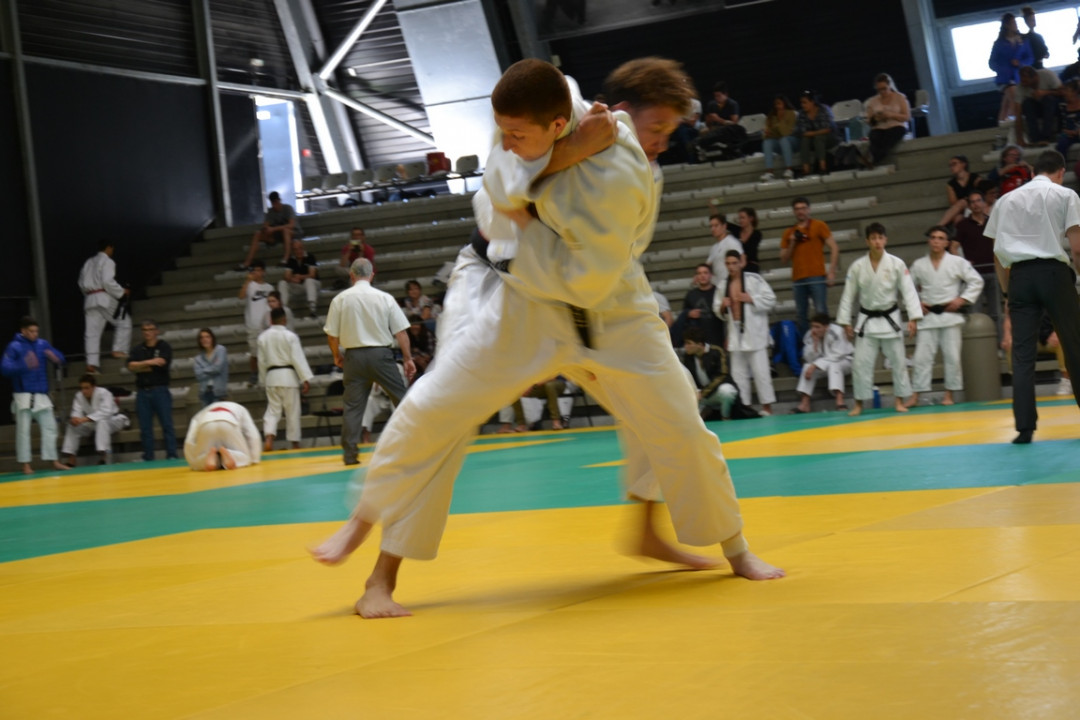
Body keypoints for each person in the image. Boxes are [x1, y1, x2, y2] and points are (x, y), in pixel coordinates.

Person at [312, 57, 783, 619]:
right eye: (656, 126)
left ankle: (734, 547)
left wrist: (522, 213)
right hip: (518, 297)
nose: (663, 141)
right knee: (438, 408)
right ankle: (372, 546)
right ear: (611, 112)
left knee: (677, 419)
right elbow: (492, 192)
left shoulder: (627, 175)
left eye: (669, 130)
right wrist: (563, 157)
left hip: (607, 308)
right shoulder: (545, 106)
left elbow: (586, 278)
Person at [987, 149, 1080, 444]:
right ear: (1060, 172)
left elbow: (997, 255)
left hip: (1020, 277)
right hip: (1054, 274)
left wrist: (1007, 291)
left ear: (1031, 172)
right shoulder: (1065, 195)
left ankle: (1024, 428)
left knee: (1022, 354)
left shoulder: (1005, 200)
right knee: (1075, 346)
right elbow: (1077, 248)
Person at [323, 257, 414, 466]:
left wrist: (337, 355)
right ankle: (416, 445)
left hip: (353, 357)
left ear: (351, 275)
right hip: (381, 355)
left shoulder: (340, 299)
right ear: (372, 275)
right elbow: (401, 333)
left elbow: (332, 336)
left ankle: (350, 455)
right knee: (401, 400)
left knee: (353, 408)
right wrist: (408, 358)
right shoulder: (385, 298)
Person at [837, 223, 923, 416]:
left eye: (880, 238)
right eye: (873, 238)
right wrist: (845, 321)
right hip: (867, 321)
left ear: (885, 240)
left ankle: (899, 401)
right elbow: (848, 295)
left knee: (898, 362)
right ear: (867, 241)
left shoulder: (896, 264)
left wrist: (913, 317)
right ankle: (859, 404)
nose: (877, 242)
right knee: (860, 364)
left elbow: (908, 291)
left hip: (890, 319)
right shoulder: (857, 266)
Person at [907, 226, 985, 407]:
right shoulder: (919, 265)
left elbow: (976, 281)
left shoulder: (957, 262)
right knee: (921, 358)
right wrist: (916, 303)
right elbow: (907, 287)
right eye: (933, 237)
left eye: (941, 238)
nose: (936, 241)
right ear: (929, 241)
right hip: (928, 317)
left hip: (950, 316)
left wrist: (962, 299)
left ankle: (949, 395)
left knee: (952, 357)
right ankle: (915, 395)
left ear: (947, 243)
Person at [2, 316, 70, 474]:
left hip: (41, 394)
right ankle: (26, 465)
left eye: (36, 331)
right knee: (23, 431)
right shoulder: (14, 346)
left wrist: (56, 358)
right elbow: (5, 368)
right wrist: (23, 364)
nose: (35, 334)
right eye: (31, 331)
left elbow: (60, 359)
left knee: (50, 427)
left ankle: (54, 461)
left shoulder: (42, 344)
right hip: (23, 395)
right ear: (23, 331)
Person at [715, 249, 777, 415]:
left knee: (761, 372)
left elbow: (771, 299)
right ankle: (745, 407)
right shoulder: (722, 285)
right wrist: (723, 306)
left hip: (754, 332)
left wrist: (751, 299)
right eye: (728, 264)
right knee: (738, 374)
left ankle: (767, 407)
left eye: (734, 263)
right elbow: (717, 310)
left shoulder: (754, 279)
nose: (731, 267)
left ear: (741, 263)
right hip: (735, 333)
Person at [780, 196, 839, 335]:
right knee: (801, 314)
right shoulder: (789, 232)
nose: (800, 211)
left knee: (821, 311)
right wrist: (792, 242)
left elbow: (834, 247)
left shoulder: (819, 225)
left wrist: (831, 271)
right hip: (798, 278)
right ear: (794, 211)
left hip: (817, 275)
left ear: (809, 209)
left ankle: (826, 343)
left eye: (803, 208)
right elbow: (783, 259)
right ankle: (806, 344)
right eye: (797, 209)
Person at [258, 307, 314, 451]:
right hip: (288, 378)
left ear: (270, 320)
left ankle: (269, 437)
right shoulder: (290, 336)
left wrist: (263, 380)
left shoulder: (263, 337)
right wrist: (305, 379)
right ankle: (294, 443)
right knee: (292, 411)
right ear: (285, 320)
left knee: (272, 410)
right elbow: (297, 358)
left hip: (272, 377)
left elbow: (261, 362)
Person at [78, 238, 131, 373]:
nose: (112, 251)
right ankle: (119, 349)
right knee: (123, 320)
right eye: (112, 248)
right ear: (109, 248)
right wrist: (121, 292)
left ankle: (91, 364)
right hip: (103, 296)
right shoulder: (107, 261)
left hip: (89, 299)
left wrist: (90, 293)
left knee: (92, 333)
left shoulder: (88, 262)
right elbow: (107, 281)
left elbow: (81, 283)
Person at [128, 319, 178, 462]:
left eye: (150, 329)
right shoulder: (138, 349)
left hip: (160, 390)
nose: (147, 333)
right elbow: (131, 366)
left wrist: (140, 365)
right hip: (142, 391)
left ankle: (172, 454)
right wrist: (150, 363)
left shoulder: (163, 346)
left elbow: (162, 362)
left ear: (157, 331)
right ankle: (148, 456)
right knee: (145, 427)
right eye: (144, 330)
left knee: (167, 424)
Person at [951, 190, 1001, 328]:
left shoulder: (992, 222)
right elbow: (953, 247)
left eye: (978, 200)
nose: (976, 204)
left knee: (996, 312)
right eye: (972, 202)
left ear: (984, 203)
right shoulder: (963, 225)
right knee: (975, 312)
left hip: (993, 270)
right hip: (974, 274)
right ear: (968, 206)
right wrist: (964, 264)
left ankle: (999, 339)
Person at [60, 373, 128, 466]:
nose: (84, 391)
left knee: (102, 422)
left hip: (113, 420)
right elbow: (76, 411)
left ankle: (104, 457)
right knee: (72, 426)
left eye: (87, 388)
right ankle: (71, 459)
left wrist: (83, 419)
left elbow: (105, 413)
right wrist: (75, 419)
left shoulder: (104, 393)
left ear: (94, 387)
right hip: (92, 423)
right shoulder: (79, 396)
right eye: (82, 388)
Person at [794, 313, 853, 413]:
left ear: (826, 327)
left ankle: (840, 401)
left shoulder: (837, 332)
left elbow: (837, 355)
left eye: (818, 327)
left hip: (845, 360)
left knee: (834, 365)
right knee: (807, 367)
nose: (814, 330)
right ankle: (804, 404)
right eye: (812, 326)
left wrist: (815, 365)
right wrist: (815, 344)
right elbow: (808, 358)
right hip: (825, 364)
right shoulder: (810, 335)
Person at [183, 401, 262, 471]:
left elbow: (189, 440)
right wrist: (254, 459)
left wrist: (193, 463)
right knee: (246, 458)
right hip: (229, 421)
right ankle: (231, 454)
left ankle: (209, 458)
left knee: (197, 462)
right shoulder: (240, 408)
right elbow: (252, 434)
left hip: (205, 424)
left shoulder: (202, 412)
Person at [680, 327, 739, 421]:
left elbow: (722, 375)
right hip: (700, 394)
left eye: (689, 343)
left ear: (699, 344)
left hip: (715, 392)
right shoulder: (688, 357)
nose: (685, 346)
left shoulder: (717, 351)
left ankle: (725, 416)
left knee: (727, 392)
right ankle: (703, 412)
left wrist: (704, 393)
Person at [239, 191, 303, 269]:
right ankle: (247, 263)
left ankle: (285, 260)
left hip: (294, 233)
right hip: (278, 236)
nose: (275, 205)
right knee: (257, 234)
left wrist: (274, 229)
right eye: (273, 203)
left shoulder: (288, 208)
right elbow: (265, 225)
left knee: (285, 231)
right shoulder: (271, 212)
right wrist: (266, 229)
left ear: (279, 200)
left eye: (276, 202)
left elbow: (291, 225)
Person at [989, 13, 1034, 123]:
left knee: (1006, 104)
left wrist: (1020, 63)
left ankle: (1002, 125)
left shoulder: (1023, 41)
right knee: (1014, 99)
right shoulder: (999, 43)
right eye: (1013, 23)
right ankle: (1014, 124)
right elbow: (992, 62)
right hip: (1005, 78)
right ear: (1007, 25)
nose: (1015, 25)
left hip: (1019, 77)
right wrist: (1002, 70)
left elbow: (1030, 58)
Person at [862, 73, 911, 168]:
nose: (882, 92)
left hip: (896, 125)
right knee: (874, 137)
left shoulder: (900, 97)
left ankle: (872, 159)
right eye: (879, 89)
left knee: (888, 139)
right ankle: (870, 159)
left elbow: (907, 117)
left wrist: (891, 115)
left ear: (890, 86)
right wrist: (876, 118)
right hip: (879, 127)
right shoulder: (873, 101)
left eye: (884, 89)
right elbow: (869, 120)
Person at [670, 263, 724, 347]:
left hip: (717, 337)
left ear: (711, 275)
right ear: (696, 276)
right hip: (698, 341)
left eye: (705, 273)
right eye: (699, 273)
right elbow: (684, 315)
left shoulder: (719, 292)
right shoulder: (691, 294)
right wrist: (688, 313)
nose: (702, 276)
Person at [239, 260, 273, 386]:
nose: (257, 273)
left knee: (268, 351)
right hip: (252, 324)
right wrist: (247, 281)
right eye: (255, 270)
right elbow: (241, 296)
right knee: (254, 352)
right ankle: (254, 373)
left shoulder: (269, 288)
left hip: (266, 324)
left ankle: (268, 373)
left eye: (259, 270)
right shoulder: (250, 285)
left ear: (263, 272)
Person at [1014, 65, 1062, 146]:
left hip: (1053, 107)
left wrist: (1045, 92)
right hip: (1036, 110)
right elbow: (1018, 115)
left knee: (1048, 99)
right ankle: (1035, 138)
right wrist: (1019, 138)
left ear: (1035, 77)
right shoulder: (1020, 87)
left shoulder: (1048, 75)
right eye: (1022, 80)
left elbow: (1063, 92)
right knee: (1027, 103)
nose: (1024, 83)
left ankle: (1046, 137)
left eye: (1026, 81)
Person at [795, 90, 839, 176]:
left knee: (819, 138)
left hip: (830, 139)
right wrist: (817, 132)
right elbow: (802, 132)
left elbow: (827, 129)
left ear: (812, 102)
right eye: (801, 103)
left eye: (805, 102)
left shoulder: (824, 109)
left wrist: (812, 133)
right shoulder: (802, 114)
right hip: (814, 140)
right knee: (805, 140)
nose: (802, 105)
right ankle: (806, 169)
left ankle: (823, 167)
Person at [278, 239, 321, 318]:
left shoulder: (310, 257)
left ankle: (312, 309)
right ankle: (283, 309)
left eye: (300, 248)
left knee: (309, 281)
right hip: (298, 285)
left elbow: (312, 275)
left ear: (303, 248)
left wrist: (300, 277)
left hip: (312, 284)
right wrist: (292, 279)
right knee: (282, 283)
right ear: (293, 250)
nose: (298, 251)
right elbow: (286, 276)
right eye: (295, 249)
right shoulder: (291, 260)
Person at [759, 95, 797, 181]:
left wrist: (780, 121)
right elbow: (766, 134)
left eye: (779, 103)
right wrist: (767, 132)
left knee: (784, 139)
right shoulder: (771, 116)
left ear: (785, 104)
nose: (777, 106)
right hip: (780, 141)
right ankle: (770, 172)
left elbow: (786, 133)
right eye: (775, 104)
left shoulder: (791, 113)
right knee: (767, 142)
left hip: (793, 142)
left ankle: (789, 170)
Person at [938, 155, 982, 227]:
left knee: (962, 202)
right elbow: (954, 204)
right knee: (958, 218)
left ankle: (939, 226)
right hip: (963, 210)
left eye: (954, 164)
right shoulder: (951, 184)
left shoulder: (975, 178)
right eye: (950, 165)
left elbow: (981, 193)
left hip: (976, 204)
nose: (952, 167)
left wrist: (967, 200)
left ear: (963, 164)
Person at [705, 213, 745, 287]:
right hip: (719, 286)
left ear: (724, 226)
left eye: (716, 225)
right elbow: (707, 266)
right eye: (711, 226)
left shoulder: (732, 242)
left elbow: (743, 262)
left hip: (730, 284)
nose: (713, 229)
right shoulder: (713, 248)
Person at [193, 327, 228, 408]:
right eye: (202, 337)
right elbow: (198, 375)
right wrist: (212, 368)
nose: (205, 339)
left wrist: (204, 370)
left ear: (212, 338)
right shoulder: (198, 358)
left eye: (207, 337)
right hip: (204, 393)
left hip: (218, 393)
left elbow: (217, 368)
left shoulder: (220, 350)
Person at [1056, 79, 1080, 160]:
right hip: (1068, 134)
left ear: (1075, 92)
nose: (1065, 93)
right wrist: (1066, 131)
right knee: (1062, 143)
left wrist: (1077, 132)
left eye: (1067, 91)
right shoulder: (1062, 106)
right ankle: (1062, 166)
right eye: (1064, 90)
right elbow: (1060, 125)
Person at [1021, 6, 1050, 70]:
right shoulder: (1025, 38)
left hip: (1039, 66)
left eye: (1034, 20)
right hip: (1031, 68)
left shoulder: (1038, 36)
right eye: (1032, 20)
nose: (1034, 22)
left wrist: (1045, 54)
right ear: (1026, 22)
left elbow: (1046, 52)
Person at [735, 207, 762, 274]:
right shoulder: (737, 230)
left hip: (751, 267)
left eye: (743, 218)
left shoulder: (756, 234)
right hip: (739, 266)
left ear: (751, 218)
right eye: (739, 218)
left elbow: (751, 251)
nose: (740, 220)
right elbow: (724, 223)